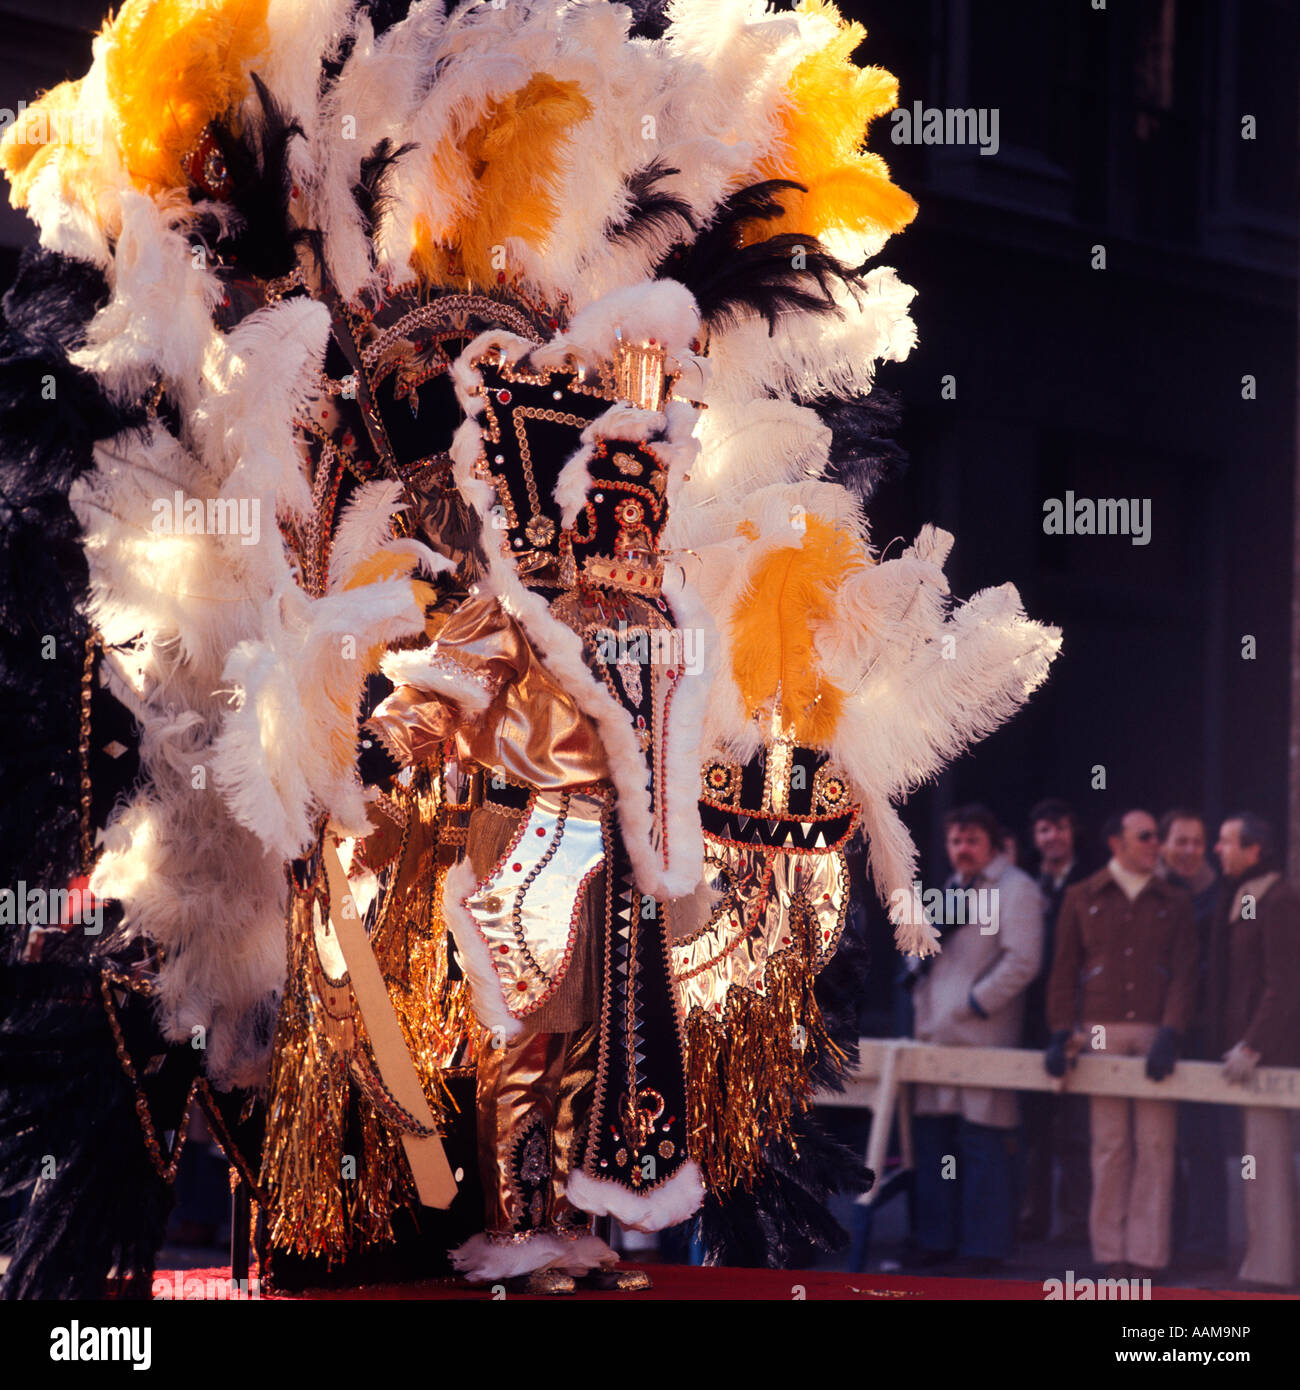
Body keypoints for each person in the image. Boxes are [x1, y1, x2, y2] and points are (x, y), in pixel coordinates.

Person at [1045, 808, 1197, 1276]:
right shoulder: (1081, 895)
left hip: (1153, 1033)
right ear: (1117, 843)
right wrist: (1059, 1031)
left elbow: (1185, 975)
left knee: (1156, 1145)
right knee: (1109, 1145)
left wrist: (1171, 1032)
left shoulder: (1175, 900)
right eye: (1146, 837)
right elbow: (1063, 970)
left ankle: (1147, 1256)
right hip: (1099, 1031)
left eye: (1156, 837)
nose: (1156, 844)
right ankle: (1110, 1254)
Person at [908, 804, 1044, 1272]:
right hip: (934, 1038)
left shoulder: (1017, 889)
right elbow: (924, 956)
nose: (962, 850)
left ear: (991, 843)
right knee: (935, 1143)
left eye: (971, 841)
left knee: (983, 1144)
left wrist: (974, 1004)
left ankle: (984, 1248)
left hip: (982, 1037)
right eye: (955, 842)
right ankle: (937, 1240)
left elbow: (1022, 960)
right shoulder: (948, 889)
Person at [1211, 814, 1300, 1289]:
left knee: (1267, 1159)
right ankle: (1261, 1261)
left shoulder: (1280, 899)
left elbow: (1285, 984)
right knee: (1256, 1158)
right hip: (1248, 1050)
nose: (1217, 850)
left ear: (1255, 850)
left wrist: (1253, 1044)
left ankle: (1272, 1269)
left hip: (1271, 1054)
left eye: (1226, 843)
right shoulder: (1246, 897)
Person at [1020, 798, 1093, 1243]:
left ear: (1072, 833)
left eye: (1060, 828)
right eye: (1045, 830)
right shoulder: (1027, 885)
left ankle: (1075, 1221)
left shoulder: (1090, 883)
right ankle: (1034, 1215)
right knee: (1035, 1125)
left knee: (1076, 1125)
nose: (1052, 837)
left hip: (1077, 1014)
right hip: (1031, 1014)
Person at [1156, 809, 1226, 1269]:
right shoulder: (1148, 892)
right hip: (1154, 1031)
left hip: (1201, 1032)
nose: (1188, 851)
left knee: (1203, 1142)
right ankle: (1165, 1239)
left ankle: (1205, 1244)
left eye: (1196, 842)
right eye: (1180, 841)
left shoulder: (1220, 897)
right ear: (1163, 845)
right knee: (1160, 1142)